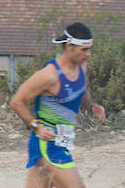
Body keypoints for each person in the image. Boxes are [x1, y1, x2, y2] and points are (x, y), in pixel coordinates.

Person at [10, 22, 106, 188]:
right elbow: (16, 102)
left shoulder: (81, 66)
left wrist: (92, 106)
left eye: (90, 49)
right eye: (84, 49)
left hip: (62, 141)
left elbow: (81, 90)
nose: (89, 54)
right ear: (69, 47)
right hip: (47, 143)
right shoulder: (49, 75)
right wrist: (37, 127)